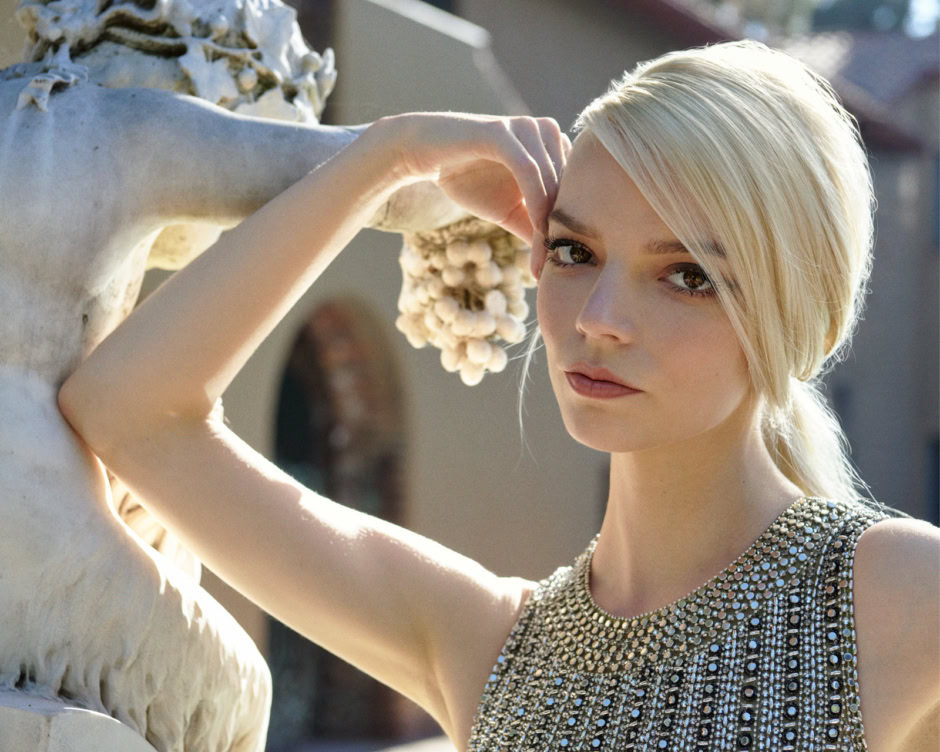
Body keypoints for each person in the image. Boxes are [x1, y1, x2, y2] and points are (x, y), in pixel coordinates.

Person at [57, 39, 938, 751]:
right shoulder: (485, 646)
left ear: (806, 325)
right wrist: (387, 156)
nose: (599, 318)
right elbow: (130, 408)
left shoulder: (897, 597)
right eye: (574, 251)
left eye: (687, 276)